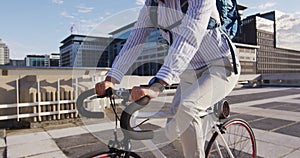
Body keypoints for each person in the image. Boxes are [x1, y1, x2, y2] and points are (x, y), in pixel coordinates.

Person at [95, 0, 240, 157]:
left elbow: (189, 38)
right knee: (173, 132)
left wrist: (157, 85)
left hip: (221, 66)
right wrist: (112, 78)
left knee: (188, 108)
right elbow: (134, 41)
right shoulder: (152, 7)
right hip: (189, 73)